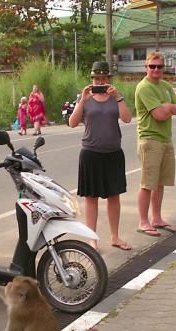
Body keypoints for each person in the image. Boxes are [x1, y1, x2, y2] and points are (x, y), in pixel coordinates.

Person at [69, 61, 133, 251]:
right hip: (90, 153)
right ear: (92, 79)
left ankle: (115, 237)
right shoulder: (86, 99)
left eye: (103, 78)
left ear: (108, 79)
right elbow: (72, 122)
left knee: (114, 196)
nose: (100, 81)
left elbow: (128, 119)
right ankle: (92, 239)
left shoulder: (115, 97)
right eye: (97, 78)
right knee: (91, 198)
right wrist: (82, 100)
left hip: (113, 153)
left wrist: (119, 97)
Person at [134, 52, 176, 237]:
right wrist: (170, 107)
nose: (156, 70)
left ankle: (156, 218)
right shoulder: (144, 87)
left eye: (159, 66)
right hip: (150, 139)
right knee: (148, 183)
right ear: (146, 67)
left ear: (164, 68)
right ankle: (143, 221)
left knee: (160, 183)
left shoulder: (165, 86)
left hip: (165, 139)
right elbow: (159, 115)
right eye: (152, 66)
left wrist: (169, 107)